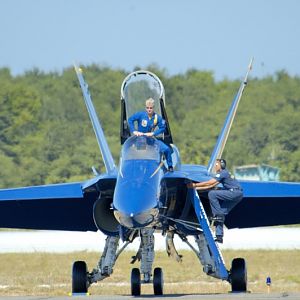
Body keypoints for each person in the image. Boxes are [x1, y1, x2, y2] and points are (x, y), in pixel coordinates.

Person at [187, 158, 243, 243]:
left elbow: (209, 183)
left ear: (221, 165)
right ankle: (219, 236)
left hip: (234, 192)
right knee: (221, 215)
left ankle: (217, 214)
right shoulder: (224, 174)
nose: (215, 166)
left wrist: (194, 184)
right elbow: (211, 185)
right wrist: (195, 188)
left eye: (216, 165)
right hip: (237, 194)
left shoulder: (223, 173)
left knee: (212, 194)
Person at [128, 98, 173, 171]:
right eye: (147, 108)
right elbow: (130, 120)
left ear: (153, 108)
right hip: (141, 140)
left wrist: (153, 133)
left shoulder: (157, 118)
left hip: (151, 140)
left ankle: (170, 167)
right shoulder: (141, 115)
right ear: (145, 108)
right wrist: (134, 131)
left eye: (151, 108)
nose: (149, 109)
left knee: (166, 149)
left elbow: (163, 128)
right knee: (141, 157)